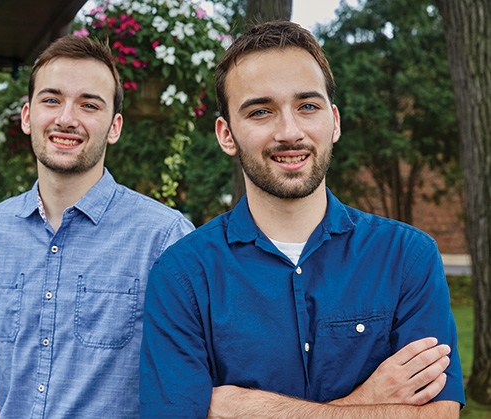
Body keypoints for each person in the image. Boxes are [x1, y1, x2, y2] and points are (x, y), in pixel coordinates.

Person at [139, 20, 464, 418]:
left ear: (335, 121)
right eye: (261, 111)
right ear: (227, 135)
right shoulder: (183, 275)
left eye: (307, 106)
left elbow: (438, 413)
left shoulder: (407, 257)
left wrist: (241, 407)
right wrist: (367, 402)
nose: (289, 131)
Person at [0, 35, 194, 419]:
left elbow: (187, 379)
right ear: (26, 116)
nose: (66, 118)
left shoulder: (165, 238)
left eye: (89, 104)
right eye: (51, 100)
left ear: (114, 127)